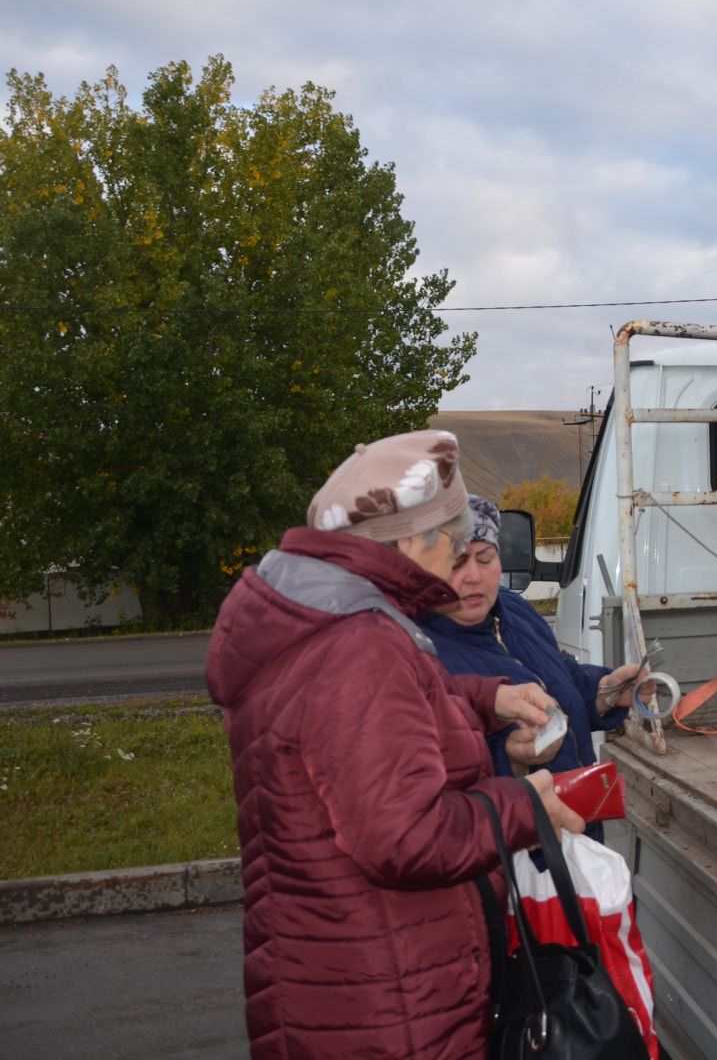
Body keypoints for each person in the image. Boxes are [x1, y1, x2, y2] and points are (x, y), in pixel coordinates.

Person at [206, 430, 587, 1059]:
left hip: (342, 974)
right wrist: (524, 806)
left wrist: (485, 698)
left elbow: (366, 726)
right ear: (409, 541)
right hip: (387, 999)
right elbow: (404, 838)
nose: (458, 557)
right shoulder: (359, 642)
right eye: (452, 539)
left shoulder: (325, 615)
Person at [420, 495, 643, 841]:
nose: (474, 576)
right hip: (511, 860)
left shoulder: (513, 610)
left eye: (485, 558)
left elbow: (559, 676)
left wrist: (606, 691)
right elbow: (425, 776)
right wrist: (510, 758)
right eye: (457, 562)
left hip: (573, 836)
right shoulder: (416, 649)